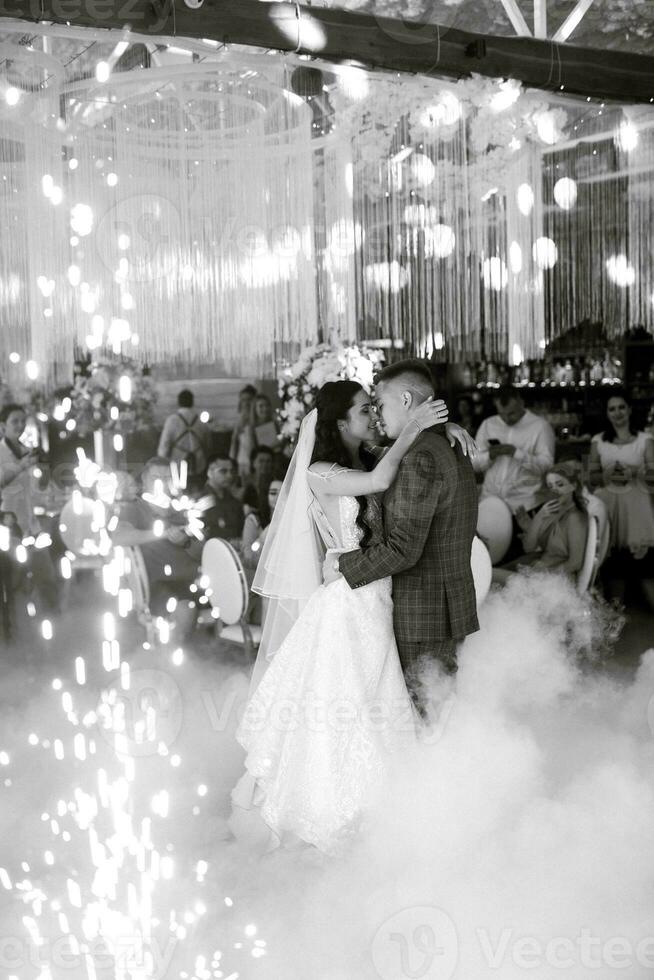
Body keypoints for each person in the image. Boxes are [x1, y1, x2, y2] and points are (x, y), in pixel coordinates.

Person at [230, 375, 475, 854]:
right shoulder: (321, 471)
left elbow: (402, 458)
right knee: (347, 712)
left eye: (375, 406)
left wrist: (444, 428)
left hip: (381, 593)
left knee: (384, 706)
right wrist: (418, 426)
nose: (375, 416)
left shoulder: (368, 454)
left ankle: (396, 816)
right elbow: (383, 481)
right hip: (350, 597)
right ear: (340, 421)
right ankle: (342, 816)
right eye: (366, 409)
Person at [325, 360, 479, 700]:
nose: (378, 415)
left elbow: (403, 550)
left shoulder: (420, 458)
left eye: (379, 404)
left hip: (422, 615)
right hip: (445, 607)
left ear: (406, 400)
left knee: (422, 722)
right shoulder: (447, 444)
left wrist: (341, 566)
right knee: (439, 717)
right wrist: (446, 424)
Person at [112, 457, 200, 631]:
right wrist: (161, 534)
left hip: (195, 579)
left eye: (167, 477)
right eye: (156, 477)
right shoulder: (136, 508)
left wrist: (186, 542)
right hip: (162, 584)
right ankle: (174, 653)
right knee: (185, 610)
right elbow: (119, 537)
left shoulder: (182, 510)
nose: (162, 482)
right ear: (144, 479)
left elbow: (202, 552)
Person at [473, 387, 555, 560]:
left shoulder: (540, 426)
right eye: (502, 414)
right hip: (490, 505)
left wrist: (515, 453)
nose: (506, 419)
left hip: (524, 507)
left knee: (520, 561)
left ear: (521, 403)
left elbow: (547, 465)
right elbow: (473, 463)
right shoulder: (488, 425)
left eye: (512, 413)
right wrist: (490, 455)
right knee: (488, 560)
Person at [589, 390, 654, 607]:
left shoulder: (645, 439)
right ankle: (616, 612)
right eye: (612, 409)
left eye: (621, 407)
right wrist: (607, 474)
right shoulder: (598, 440)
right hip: (609, 505)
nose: (617, 413)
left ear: (630, 409)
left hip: (637, 509)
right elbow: (590, 477)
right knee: (613, 563)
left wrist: (633, 471)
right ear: (607, 414)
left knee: (644, 565)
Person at [0, 403, 60, 613]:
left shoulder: (28, 451)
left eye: (23, 421)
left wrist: (44, 471)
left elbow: (37, 490)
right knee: (12, 581)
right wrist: (23, 466)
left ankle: (52, 620)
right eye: (14, 421)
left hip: (30, 524)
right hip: (6, 526)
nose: (20, 425)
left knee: (46, 574)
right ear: (2, 426)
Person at [492, 462, 589, 584]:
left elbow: (576, 563)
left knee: (488, 575)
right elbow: (528, 547)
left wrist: (543, 577)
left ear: (573, 485)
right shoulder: (551, 511)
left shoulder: (575, 518)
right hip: (539, 573)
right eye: (550, 486)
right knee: (488, 575)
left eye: (560, 485)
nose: (555, 490)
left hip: (556, 581)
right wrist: (538, 518)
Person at [157, 389, 210, 487]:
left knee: (178, 492)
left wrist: (163, 458)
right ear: (192, 402)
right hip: (198, 464)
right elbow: (207, 445)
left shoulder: (172, 420)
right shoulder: (201, 422)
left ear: (178, 402)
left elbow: (165, 443)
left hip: (177, 462)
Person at [199, 455, 244, 546]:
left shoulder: (235, 502)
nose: (229, 475)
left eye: (231, 471)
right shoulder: (197, 501)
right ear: (210, 473)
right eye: (223, 471)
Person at [230, 385, 258, 480]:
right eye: (243, 400)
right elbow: (234, 442)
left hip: (256, 462)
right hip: (241, 461)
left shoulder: (258, 419)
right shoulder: (239, 420)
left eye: (249, 399)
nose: (246, 403)